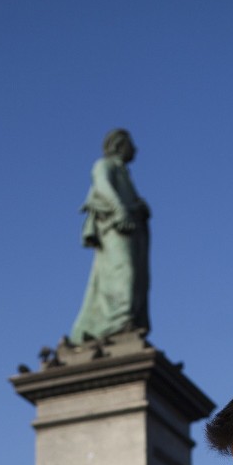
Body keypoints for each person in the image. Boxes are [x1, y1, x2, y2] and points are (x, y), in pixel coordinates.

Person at [69, 128, 151, 344]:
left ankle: (124, 321)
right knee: (123, 273)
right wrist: (120, 209)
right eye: (130, 144)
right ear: (118, 145)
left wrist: (138, 206)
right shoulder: (103, 165)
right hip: (115, 227)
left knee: (137, 279)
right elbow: (102, 187)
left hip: (132, 230)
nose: (135, 150)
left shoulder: (124, 172)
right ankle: (119, 322)